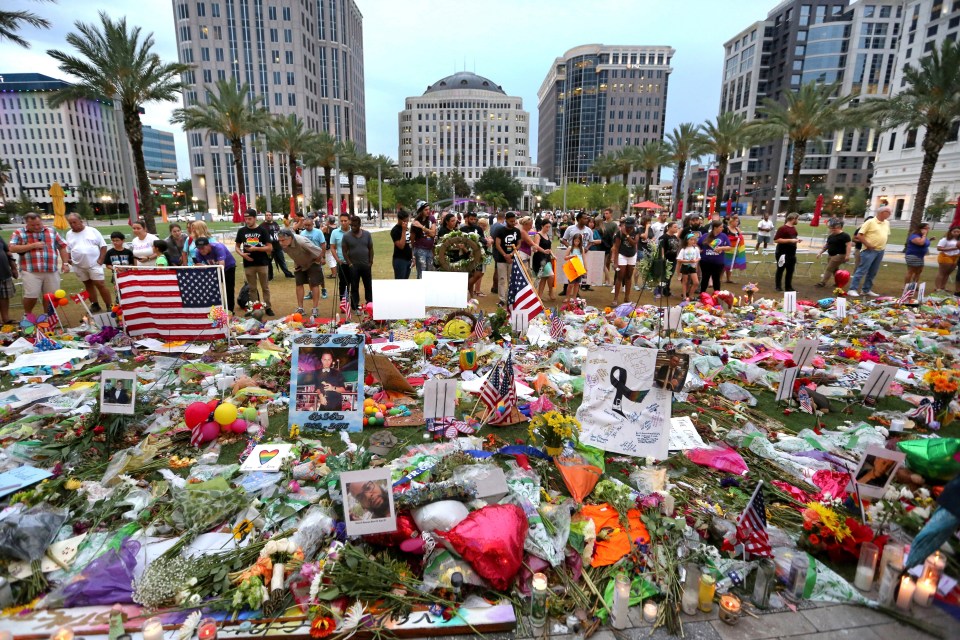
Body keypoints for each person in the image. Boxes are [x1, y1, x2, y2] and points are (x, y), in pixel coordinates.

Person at [8, 212, 69, 316]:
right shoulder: (19, 232)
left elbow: (62, 246)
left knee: (51, 296)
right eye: (33, 225)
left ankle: (48, 317)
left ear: (41, 221)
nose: (36, 227)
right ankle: (27, 316)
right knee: (31, 295)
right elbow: (11, 248)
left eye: (38, 224)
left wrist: (65, 263)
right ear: (26, 223)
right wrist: (32, 246)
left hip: (51, 269)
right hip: (30, 270)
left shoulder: (51, 231)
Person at [64, 213, 111, 312]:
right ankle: (95, 304)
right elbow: (68, 249)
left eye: (74, 222)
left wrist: (101, 260)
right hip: (78, 265)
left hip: (94, 263)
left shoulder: (92, 230)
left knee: (100, 284)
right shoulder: (69, 234)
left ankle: (109, 305)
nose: (72, 225)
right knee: (88, 284)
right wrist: (69, 260)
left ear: (81, 221)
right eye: (70, 223)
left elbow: (103, 246)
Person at [277, 228, 325, 318]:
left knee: (314, 284)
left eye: (283, 240)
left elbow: (319, 252)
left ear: (290, 238)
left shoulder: (301, 242)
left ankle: (315, 309)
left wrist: (316, 263)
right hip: (299, 264)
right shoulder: (284, 245)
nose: (281, 243)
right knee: (299, 284)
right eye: (279, 240)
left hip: (312, 262)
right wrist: (298, 263)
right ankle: (300, 308)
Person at [235, 209, 274, 316]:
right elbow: (237, 247)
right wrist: (242, 254)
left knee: (265, 287)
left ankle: (268, 307)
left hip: (262, 263)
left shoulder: (262, 230)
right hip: (248, 264)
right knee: (252, 288)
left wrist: (255, 249)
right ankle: (255, 308)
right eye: (246, 219)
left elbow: (269, 248)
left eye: (249, 219)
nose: (247, 221)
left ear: (255, 218)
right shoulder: (242, 231)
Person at [847, 206, 892, 297]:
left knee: (873, 271)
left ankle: (866, 289)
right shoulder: (870, 222)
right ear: (882, 212)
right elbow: (859, 235)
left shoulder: (887, 223)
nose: (890, 214)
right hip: (869, 250)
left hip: (880, 250)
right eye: (888, 212)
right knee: (862, 270)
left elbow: (886, 235)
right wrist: (868, 244)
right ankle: (852, 289)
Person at [194, 236, 236, 313]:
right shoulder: (198, 252)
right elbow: (198, 266)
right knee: (213, 289)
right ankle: (216, 308)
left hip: (228, 267)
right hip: (213, 269)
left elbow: (221, 265)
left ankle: (230, 310)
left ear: (208, 245)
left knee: (228, 289)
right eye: (199, 248)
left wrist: (206, 267)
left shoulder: (218, 247)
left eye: (203, 248)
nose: (201, 250)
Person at [342, 215, 374, 312]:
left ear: (360, 225)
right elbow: (344, 251)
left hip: (366, 265)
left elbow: (371, 248)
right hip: (354, 266)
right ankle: (355, 306)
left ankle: (370, 304)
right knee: (354, 286)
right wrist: (350, 264)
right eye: (352, 226)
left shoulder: (367, 234)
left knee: (368, 285)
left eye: (355, 226)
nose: (353, 227)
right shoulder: (346, 236)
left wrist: (370, 262)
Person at [561, 212, 594, 294]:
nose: (586, 220)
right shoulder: (570, 228)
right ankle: (566, 291)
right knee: (570, 274)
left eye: (587, 218)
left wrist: (587, 247)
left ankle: (576, 293)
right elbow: (563, 239)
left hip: (582, 254)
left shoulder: (588, 230)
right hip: (572, 255)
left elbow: (591, 241)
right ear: (579, 219)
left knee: (579, 274)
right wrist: (570, 247)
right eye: (584, 218)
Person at [493, 211, 521, 306]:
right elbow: (497, 244)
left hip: (513, 258)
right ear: (506, 220)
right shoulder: (500, 230)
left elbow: (519, 243)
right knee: (502, 279)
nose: (513, 223)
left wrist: (512, 254)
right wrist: (505, 255)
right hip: (501, 259)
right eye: (511, 221)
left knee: (511, 279)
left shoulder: (517, 231)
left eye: (514, 221)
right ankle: (502, 299)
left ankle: (511, 298)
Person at [814, 218, 852, 288]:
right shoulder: (831, 236)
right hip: (831, 255)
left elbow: (848, 246)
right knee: (835, 270)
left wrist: (847, 255)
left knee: (829, 268)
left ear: (839, 228)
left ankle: (823, 282)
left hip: (839, 255)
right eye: (831, 228)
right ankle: (838, 282)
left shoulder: (845, 236)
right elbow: (827, 245)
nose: (831, 230)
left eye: (833, 229)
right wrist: (820, 252)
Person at [611, 217, 640, 306]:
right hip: (622, 255)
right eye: (627, 226)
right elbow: (616, 248)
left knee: (628, 276)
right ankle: (615, 298)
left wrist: (627, 235)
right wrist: (615, 262)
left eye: (630, 227)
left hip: (632, 255)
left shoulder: (636, 231)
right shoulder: (619, 233)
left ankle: (627, 297)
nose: (629, 228)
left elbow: (634, 243)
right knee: (620, 276)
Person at [297, 217, 327, 299]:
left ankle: (323, 289)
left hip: (317, 257)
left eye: (308, 225)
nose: (306, 227)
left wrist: (323, 257)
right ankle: (311, 292)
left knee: (319, 274)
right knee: (310, 276)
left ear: (312, 224)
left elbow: (323, 245)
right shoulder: (302, 233)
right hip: (307, 258)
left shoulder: (318, 232)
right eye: (305, 225)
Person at [698, 220, 731, 293]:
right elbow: (698, 244)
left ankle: (717, 295)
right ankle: (702, 294)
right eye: (720, 227)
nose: (722, 228)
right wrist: (699, 250)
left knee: (716, 279)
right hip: (705, 261)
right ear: (715, 228)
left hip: (718, 262)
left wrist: (721, 248)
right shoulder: (705, 235)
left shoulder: (723, 236)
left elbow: (729, 247)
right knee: (705, 278)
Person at [773, 213, 802, 292]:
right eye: (797, 219)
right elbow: (776, 239)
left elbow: (792, 238)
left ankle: (788, 287)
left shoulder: (793, 228)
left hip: (791, 253)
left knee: (790, 270)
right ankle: (778, 286)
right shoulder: (782, 228)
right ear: (793, 219)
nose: (798, 221)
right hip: (782, 252)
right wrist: (791, 240)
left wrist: (796, 240)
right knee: (780, 269)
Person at [460, 211, 487, 298]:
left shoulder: (478, 229)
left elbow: (483, 239)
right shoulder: (462, 229)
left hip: (477, 254)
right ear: (467, 218)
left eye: (475, 219)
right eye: (471, 219)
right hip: (466, 254)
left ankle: (464, 288)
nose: (473, 221)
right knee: (469, 275)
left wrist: (482, 242)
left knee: (478, 274)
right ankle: (471, 295)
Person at [263, 212, 294, 280]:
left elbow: (279, 233)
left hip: (277, 246)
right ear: (265, 216)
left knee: (281, 261)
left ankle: (288, 274)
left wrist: (282, 243)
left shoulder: (275, 224)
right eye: (267, 215)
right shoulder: (262, 225)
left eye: (269, 215)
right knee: (268, 262)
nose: (268, 216)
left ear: (272, 216)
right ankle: (270, 276)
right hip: (269, 247)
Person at [411, 201, 437, 278]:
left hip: (430, 249)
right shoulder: (416, 222)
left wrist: (422, 227)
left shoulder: (432, 219)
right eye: (425, 210)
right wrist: (413, 253)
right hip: (420, 249)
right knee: (422, 273)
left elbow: (433, 233)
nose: (428, 211)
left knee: (430, 272)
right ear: (421, 210)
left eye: (429, 209)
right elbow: (412, 239)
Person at [657, 221, 681, 299]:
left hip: (673, 259)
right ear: (669, 228)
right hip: (666, 259)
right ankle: (659, 291)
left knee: (669, 276)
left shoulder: (674, 237)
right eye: (675, 227)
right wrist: (663, 258)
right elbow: (661, 248)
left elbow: (676, 248)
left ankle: (666, 291)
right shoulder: (663, 237)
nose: (676, 228)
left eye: (677, 227)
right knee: (663, 276)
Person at [330, 213, 351, 304]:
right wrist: (337, 259)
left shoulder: (353, 232)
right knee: (343, 283)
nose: (343, 222)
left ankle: (354, 304)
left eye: (345, 221)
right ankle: (343, 303)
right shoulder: (335, 232)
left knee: (353, 283)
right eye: (341, 221)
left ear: (349, 221)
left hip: (353, 262)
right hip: (342, 262)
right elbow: (332, 247)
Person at [533, 220, 556, 301]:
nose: (548, 228)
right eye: (546, 226)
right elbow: (536, 246)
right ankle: (550, 291)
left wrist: (553, 255)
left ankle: (539, 296)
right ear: (542, 226)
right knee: (551, 275)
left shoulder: (547, 235)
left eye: (549, 227)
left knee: (544, 278)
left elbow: (549, 248)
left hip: (547, 258)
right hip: (540, 258)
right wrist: (543, 251)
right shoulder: (538, 235)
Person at [904, 222, 931, 287]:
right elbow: (921, 243)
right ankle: (906, 286)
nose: (927, 230)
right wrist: (924, 235)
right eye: (926, 228)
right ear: (920, 229)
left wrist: (929, 240)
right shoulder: (914, 236)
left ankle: (914, 286)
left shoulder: (921, 236)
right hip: (913, 255)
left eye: (928, 228)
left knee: (919, 271)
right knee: (911, 271)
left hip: (920, 256)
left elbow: (924, 243)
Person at [934, 226, 960, 293]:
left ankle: (943, 287)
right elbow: (939, 248)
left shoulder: (958, 240)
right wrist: (953, 248)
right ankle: (938, 287)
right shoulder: (945, 239)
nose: (956, 233)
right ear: (951, 232)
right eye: (954, 231)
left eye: (958, 232)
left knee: (948, 273)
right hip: (946, 256)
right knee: (942, 272)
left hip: (955, 256)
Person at [722, 214, 746, 283]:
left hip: (735, 250)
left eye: (738, 221)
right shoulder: (727, 229)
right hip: (727, 249)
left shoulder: (737, 229)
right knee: (724, 264)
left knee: (730, 264)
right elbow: (724, 238)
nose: (737, 223)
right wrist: (733, 239)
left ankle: (728, 278)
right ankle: (720, 278)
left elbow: (741, 237)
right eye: (735, 221)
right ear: (731, 222)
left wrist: (738, 238)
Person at [0, 236, 19, 323]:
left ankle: (6, 319)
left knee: (4, 297)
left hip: (4, 272)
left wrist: (13, 268)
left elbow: (8, 252)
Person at [677, 233, 701, 301]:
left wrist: (695, 260)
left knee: (696, 282)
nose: (693, 241)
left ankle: (691, 295)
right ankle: (684, 296)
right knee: (685, 282)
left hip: (692, 267)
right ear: (687, 240)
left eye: (694, 240)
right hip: (685, 266)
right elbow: (679, 259)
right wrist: (688, 261)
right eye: (691, 240)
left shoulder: (695, 248)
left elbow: (698, 257)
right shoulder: (683, 249)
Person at [391, 210, 413, 280]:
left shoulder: (406, 228)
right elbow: (401, 246)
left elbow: (409, 243)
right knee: (400, 284)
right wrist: (403, 231)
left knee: (405, 283)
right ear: (399, 220)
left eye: (407, 220)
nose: (406, 223)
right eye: (404, 221)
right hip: (400, 260)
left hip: (408, 259)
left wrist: (413, 257)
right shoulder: (395, 230)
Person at [563, 232, 585, 303]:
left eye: (578, 241)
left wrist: (585, 268)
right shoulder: (570, 248)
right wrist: (571, 256)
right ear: (573, 241)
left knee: (577, 284)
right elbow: (565, 257)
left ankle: (574, 297)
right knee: (570, 284)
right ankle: (567, 297)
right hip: (572, 268)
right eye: (575, 241)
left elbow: (584, 259)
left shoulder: (582, 248)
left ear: (580, 241)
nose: (576, 242)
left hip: (579, 268)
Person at [599, 208, 619, 285]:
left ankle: (608, 280)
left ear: (611, 214)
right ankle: (606, 279)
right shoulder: (602, 223)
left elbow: (615, 236)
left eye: (607, 213)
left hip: (610, 246)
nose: (605, 215)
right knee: (603, 263)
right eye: (605, 213)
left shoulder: (614, 224)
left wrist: (614, 246)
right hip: (603, 245)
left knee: (608, 263)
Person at [489, 210, 506, 295]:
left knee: (496, 268)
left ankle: (494, 286)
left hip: (494, 248)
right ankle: (496, 286)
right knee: (498, 270)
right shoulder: (501, 227)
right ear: (504, 218)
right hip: (499, 248)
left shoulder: (492, 226)